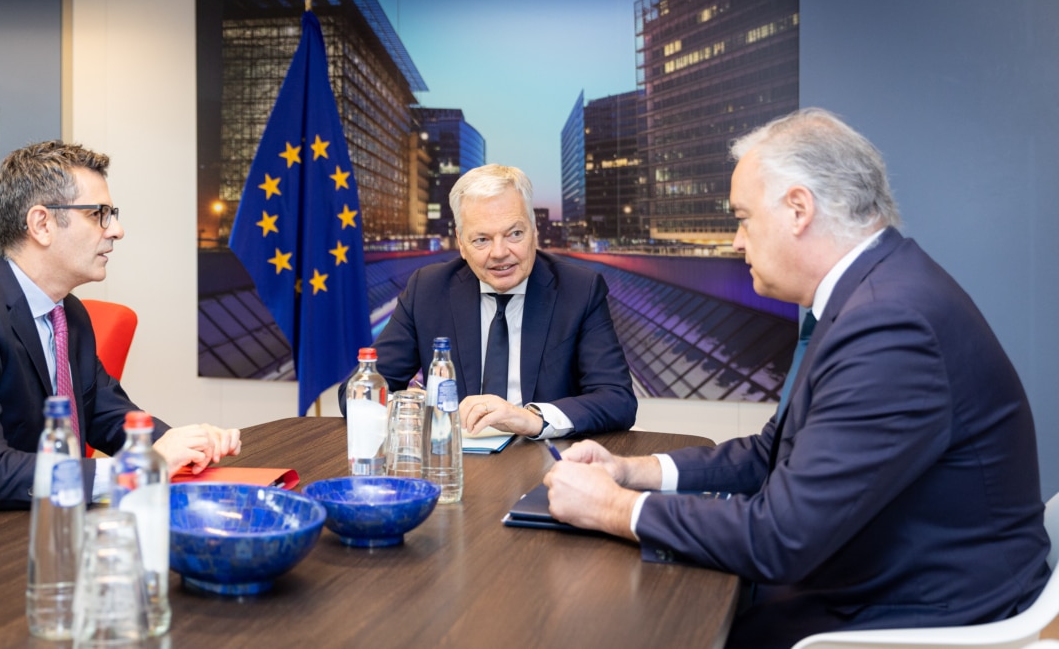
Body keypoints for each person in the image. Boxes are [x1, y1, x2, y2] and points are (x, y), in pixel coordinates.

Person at [543, 109, 1050, 647]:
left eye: (742, 218)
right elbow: (773, 452)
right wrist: (631, 470)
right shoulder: (872, 293)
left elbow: (779, 538)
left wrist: (613, 508)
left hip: (917, 612)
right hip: (878, 578)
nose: (736, 242)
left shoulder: (889, 324)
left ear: (798, 210)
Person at [0, 141, 241, 539]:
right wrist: (138, 469)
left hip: (23, 532)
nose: (116, 229)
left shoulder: (68, 313)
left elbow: (106, 415)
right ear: (42, 224)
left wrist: (184, 445)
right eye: (99, 215)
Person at [339, 163, 636, 438]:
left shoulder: (579, 289)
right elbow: (357, 391)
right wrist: (413, 412)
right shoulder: (427, 289)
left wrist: (531, 419)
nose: (499, 252)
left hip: (546, 462)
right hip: (452, 461)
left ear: (534, 232)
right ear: (462, 244)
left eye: (514, 234)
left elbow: (617, 400)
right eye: (481, 239)